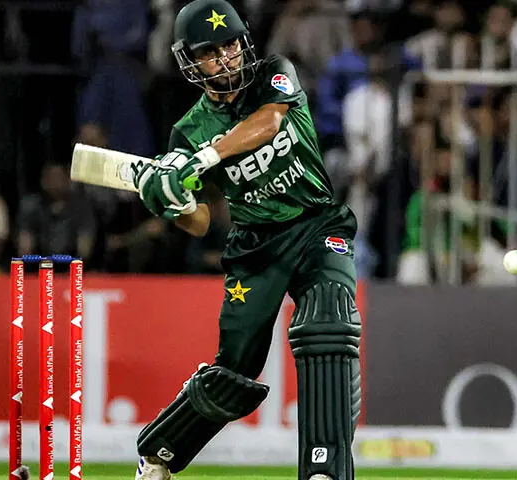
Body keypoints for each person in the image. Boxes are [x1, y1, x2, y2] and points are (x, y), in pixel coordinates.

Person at [130, 1, 361, 480]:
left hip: (317, 223)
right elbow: (199, 222)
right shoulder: (187, 131)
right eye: (212, 51)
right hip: (256, 248)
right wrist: (173, 202)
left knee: (328, 324)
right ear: (191, 62)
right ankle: (159, 455)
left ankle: (325, 469)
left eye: (231, 43)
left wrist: (201, 160)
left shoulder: (274, 73)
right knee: (233, 374)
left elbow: (269, 123)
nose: (228, 56)